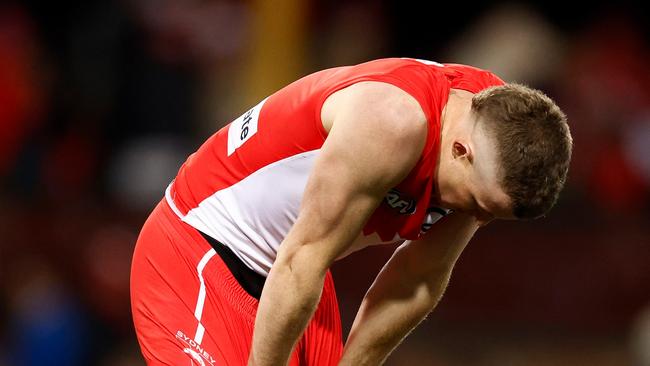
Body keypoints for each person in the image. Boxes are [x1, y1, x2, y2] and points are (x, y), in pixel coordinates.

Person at [130, 57, 572, 366]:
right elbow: (301, 257)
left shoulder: (494, 128)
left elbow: (417, 279)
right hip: (199, 254)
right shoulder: (391, 123)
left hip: (296, 278)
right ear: (461, 150)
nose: (475, 218)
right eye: (478, 207)